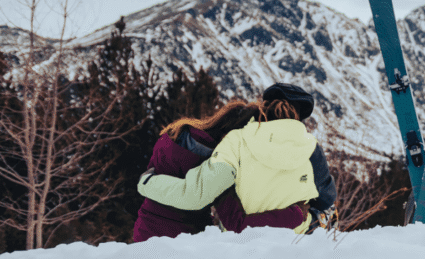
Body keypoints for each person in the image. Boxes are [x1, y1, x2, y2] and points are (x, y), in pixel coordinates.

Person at [137, 83, 336, 234]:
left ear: (263, 106)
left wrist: (146, 184)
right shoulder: (311, 148)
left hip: (241, 242)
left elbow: (196, 196)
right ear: (300, 117)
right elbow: (326, 198)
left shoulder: (237, 141)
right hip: (293, 238)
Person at [132, 100, 264, 242]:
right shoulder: (220, 161)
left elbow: (155, 170)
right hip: (182, 239)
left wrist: (147, 182)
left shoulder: (176, 134)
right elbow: (229, 216)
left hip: (145, 229)